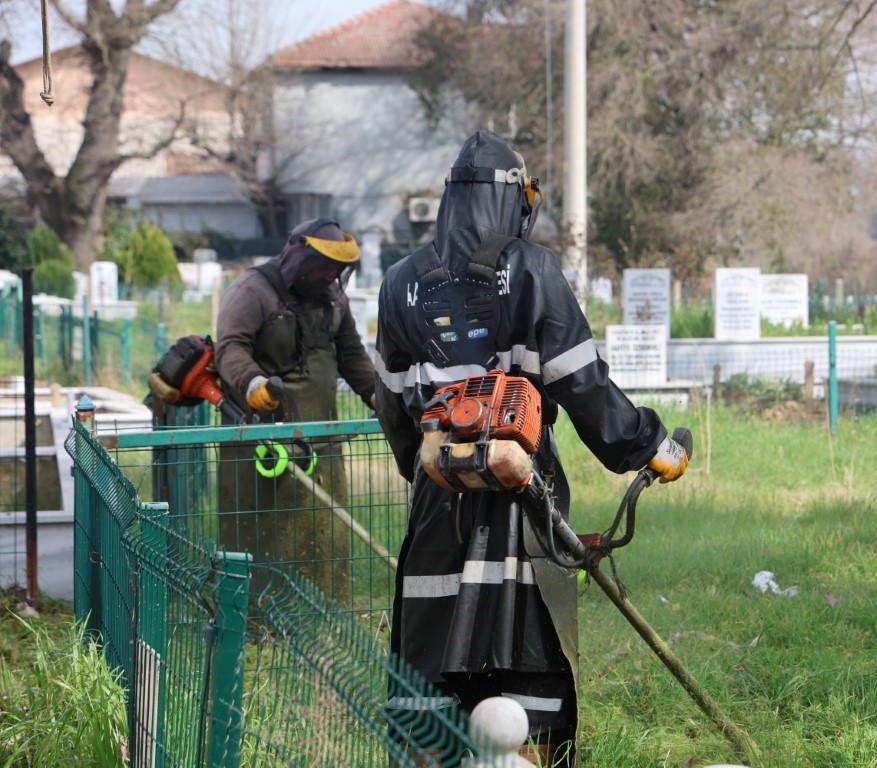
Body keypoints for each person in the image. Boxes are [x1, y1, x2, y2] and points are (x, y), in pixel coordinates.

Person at [373, 130, 689, 767]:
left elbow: (393, 406)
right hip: (526, 505)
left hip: (438, 512)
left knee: (432, 665)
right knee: (528, 663)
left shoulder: (399, 282)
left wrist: (428, 465)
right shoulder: (534, 270)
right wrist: (648, 444)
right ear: (513, 199)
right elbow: (584, 387)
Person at [214, 218, 378, 606]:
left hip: (323, 439)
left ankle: (324, 609)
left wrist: (379, 396)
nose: (328, 275)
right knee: (266, 532)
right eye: (321, 265)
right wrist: (252, 383)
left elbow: (352, 355)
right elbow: (230, 348)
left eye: (335, 269)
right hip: (262, 442)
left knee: (325, 528)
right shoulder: (252, 291)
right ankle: (257, 618)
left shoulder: (335, 297)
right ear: (297, 256)